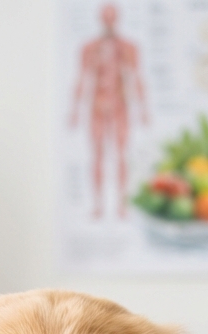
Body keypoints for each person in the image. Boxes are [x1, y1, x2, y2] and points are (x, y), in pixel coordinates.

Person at [69, 5, 148, 218]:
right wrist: (75, 110)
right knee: (97, 156)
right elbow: (82, 78)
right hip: (97, 106)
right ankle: (98, 205)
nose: (109, 22)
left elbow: (136, 77)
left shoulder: (128, 47)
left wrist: (143, 109)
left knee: (121, 155)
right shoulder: (89, 48)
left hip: (120, 106)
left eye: (112, 18)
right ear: (100, 19)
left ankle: (121, 205)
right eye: (106, 18)